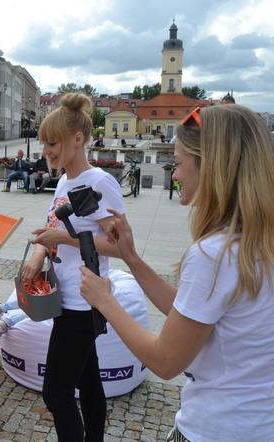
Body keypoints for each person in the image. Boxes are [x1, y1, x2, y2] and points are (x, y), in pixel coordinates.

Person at [79, 104, 274, 442]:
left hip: (214, 428)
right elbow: (191, 313)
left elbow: (165, 360)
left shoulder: (215, 255)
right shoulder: (257, 242)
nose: (176, 174)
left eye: (180, 162)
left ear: (212, 167)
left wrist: (104, 300)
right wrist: (133, 261)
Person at [27, 93, 124, 441]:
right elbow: (55, 226)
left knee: (56, 392)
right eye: (44, 144)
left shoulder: (99, 182)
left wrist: (64, 239)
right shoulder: (66, 181)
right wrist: (40, 254)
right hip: (65, 294)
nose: (46, 151)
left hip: (84, 301)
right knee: (88, 380)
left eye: (52, 143)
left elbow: (120, 245)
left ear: (78, 139)